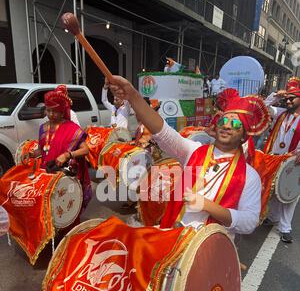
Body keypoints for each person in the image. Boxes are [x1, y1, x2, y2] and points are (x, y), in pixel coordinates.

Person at [107, 77, 271, 237]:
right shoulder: (194, 152)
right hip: (172, 235)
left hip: (208, 250)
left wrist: (207, 205)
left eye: (235, 124)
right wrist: (133, 95)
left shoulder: (250, 177)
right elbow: (163, 132)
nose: (227, 126)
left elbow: (249, 222)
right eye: (223, 121)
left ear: (244, 136)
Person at [27, 85, 92, 212]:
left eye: (54, 111)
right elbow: (43, 150)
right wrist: (31, 154)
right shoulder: (42, 128)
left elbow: (85, 150)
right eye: (48, 110)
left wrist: (67, 155)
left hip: (65, 175)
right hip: (48, 173)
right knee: (49, 209)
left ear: (62, 111)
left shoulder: (72, 128)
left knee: (65, 209)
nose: (50, 114)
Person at [262, 77, 300, 243]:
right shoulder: (280, 113)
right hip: (274, 159)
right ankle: (273, 216)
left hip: (293, 161)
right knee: (272, 190)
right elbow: (263, 107)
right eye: (287, 98)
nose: (288, 101)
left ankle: (285, 228)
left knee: (289, 193)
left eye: (292, 98)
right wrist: (276, 95)